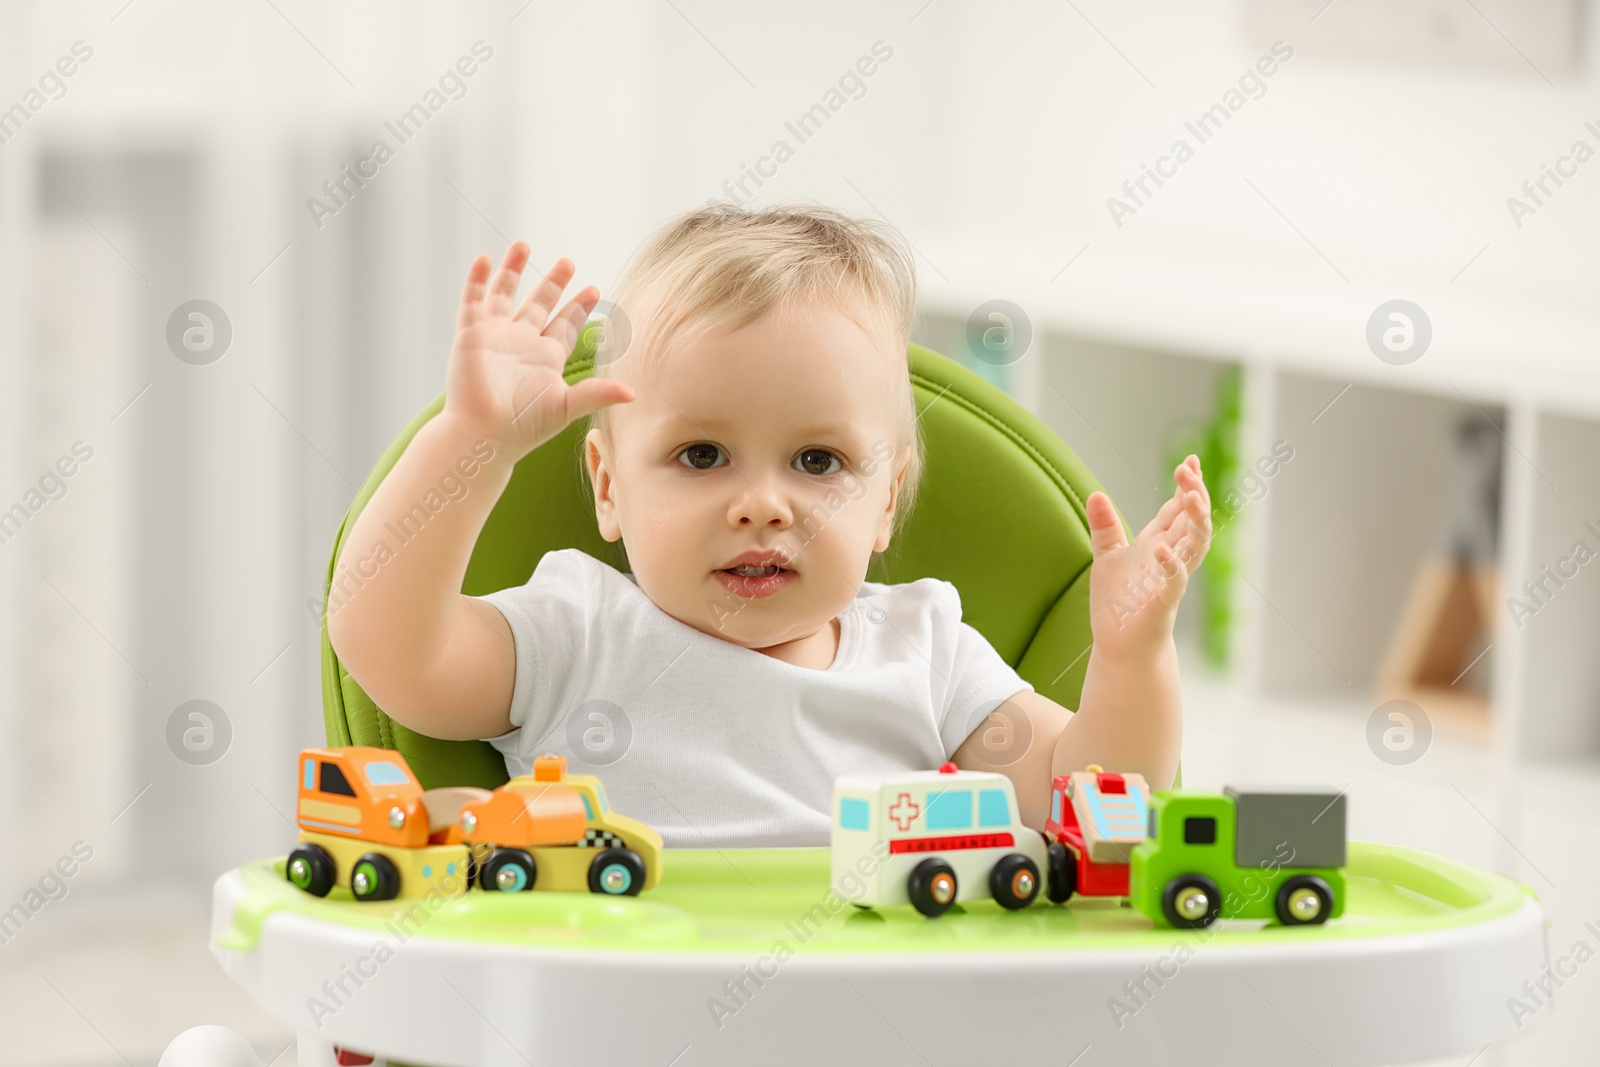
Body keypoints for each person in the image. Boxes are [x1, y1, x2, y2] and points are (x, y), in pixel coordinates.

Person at [327, 204, 1211, 847]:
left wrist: (1134, 659)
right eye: (702, 455)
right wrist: (473, 446)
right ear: (608, 488)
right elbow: (388, 648)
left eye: (818, 462)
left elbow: (1096, 795)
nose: (763, 504)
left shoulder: (925, 651)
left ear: (886, 503)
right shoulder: (578, 632)